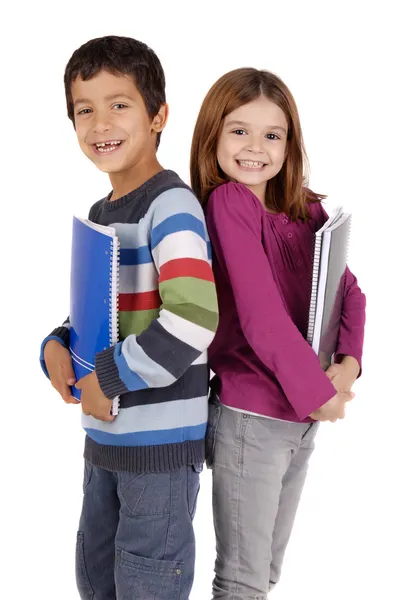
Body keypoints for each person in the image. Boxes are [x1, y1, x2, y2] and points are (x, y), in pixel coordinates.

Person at [40, 35, 218, 600]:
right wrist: (56, 347)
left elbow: (192, 319)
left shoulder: (171, 206)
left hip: (159, 455)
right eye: (83, 110)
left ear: (158, 115)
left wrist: (103, 378)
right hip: (106, 445)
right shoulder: (101, 214)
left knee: (146, 584)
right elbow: (97, 317)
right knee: (96, 579)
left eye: (119, 104)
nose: (100, 124)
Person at [190, 67, 366, 599]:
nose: (256, 149)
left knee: (264, 573)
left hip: (302, 416)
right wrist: (320, 395)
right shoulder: (229, 204)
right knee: (242, 580)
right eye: (239, 131)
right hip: (253, 418)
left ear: (290, 143)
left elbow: (350, 292)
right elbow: (262, 320)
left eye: (273, 135)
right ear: (213, 135)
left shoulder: (302, 207)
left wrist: (348, 368)